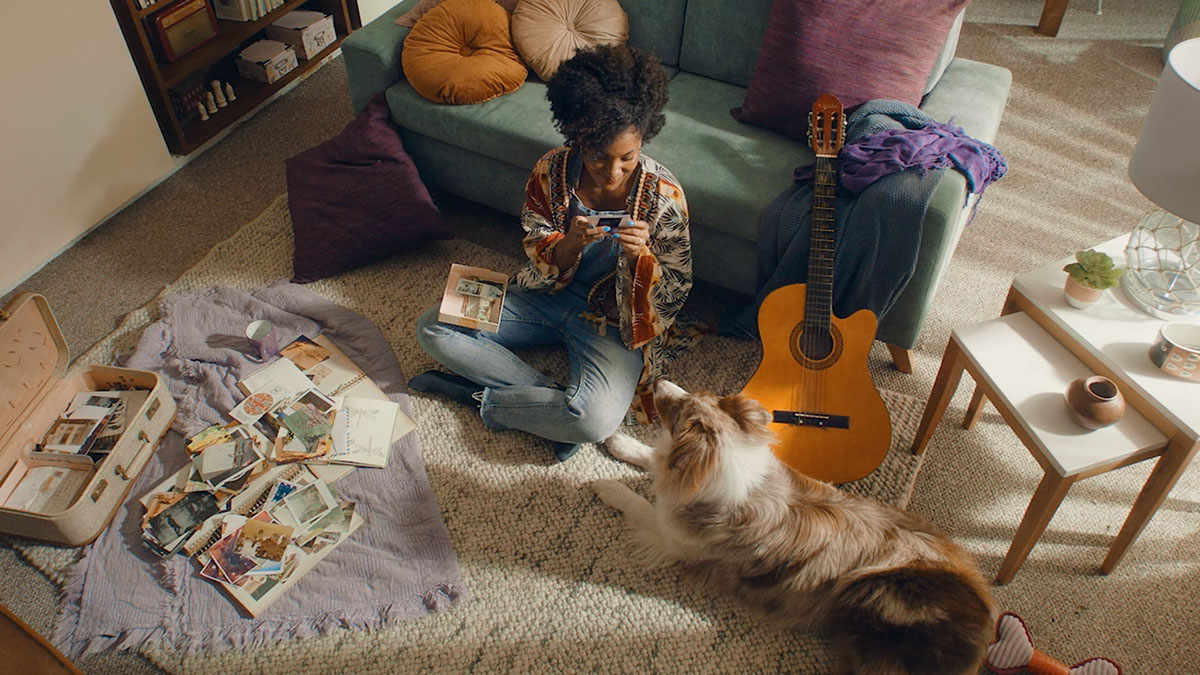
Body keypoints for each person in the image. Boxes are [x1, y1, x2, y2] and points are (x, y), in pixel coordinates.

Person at [409, 44, 691, 462]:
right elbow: (534, 252)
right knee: (432, 324)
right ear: (577, 135)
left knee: (595, 421)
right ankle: (549, 404)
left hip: (611, 325)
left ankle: (481, 398)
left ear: (643, 141)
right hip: (540, 296)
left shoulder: (665, 195)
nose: (612, 171)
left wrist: (640, 259)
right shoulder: (550, 169)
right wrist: (570, 242)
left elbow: (677, 290)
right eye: (598, 158)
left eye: (627, 159)